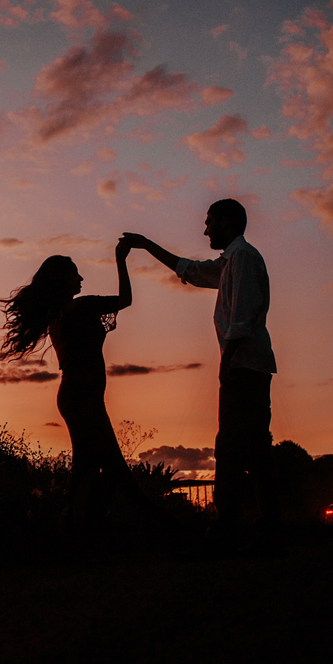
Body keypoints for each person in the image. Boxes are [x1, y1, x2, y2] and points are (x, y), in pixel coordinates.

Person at [122, 199, 279, 550]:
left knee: (232, 448)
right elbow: (190, 271)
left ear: (226, 222)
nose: (205, 229)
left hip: (243, 367)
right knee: (256, 449)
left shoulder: (243, 257)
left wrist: (228, 364)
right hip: (249, 366)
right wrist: (147, 245)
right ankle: (268, 528)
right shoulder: (231, 261)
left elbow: (242, 318)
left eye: (210, 222)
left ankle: (227, 528)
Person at [0, 241, 162, 532]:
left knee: (88, 467)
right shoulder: (83, 307)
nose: (81, 278)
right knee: (112, 467)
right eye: (75, 273)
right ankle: (161, 525)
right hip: (83, 397)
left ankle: (78, 529)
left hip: (75, 396)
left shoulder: (56, 318)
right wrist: (121, 259)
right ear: (63, 279)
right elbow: (125, 300)